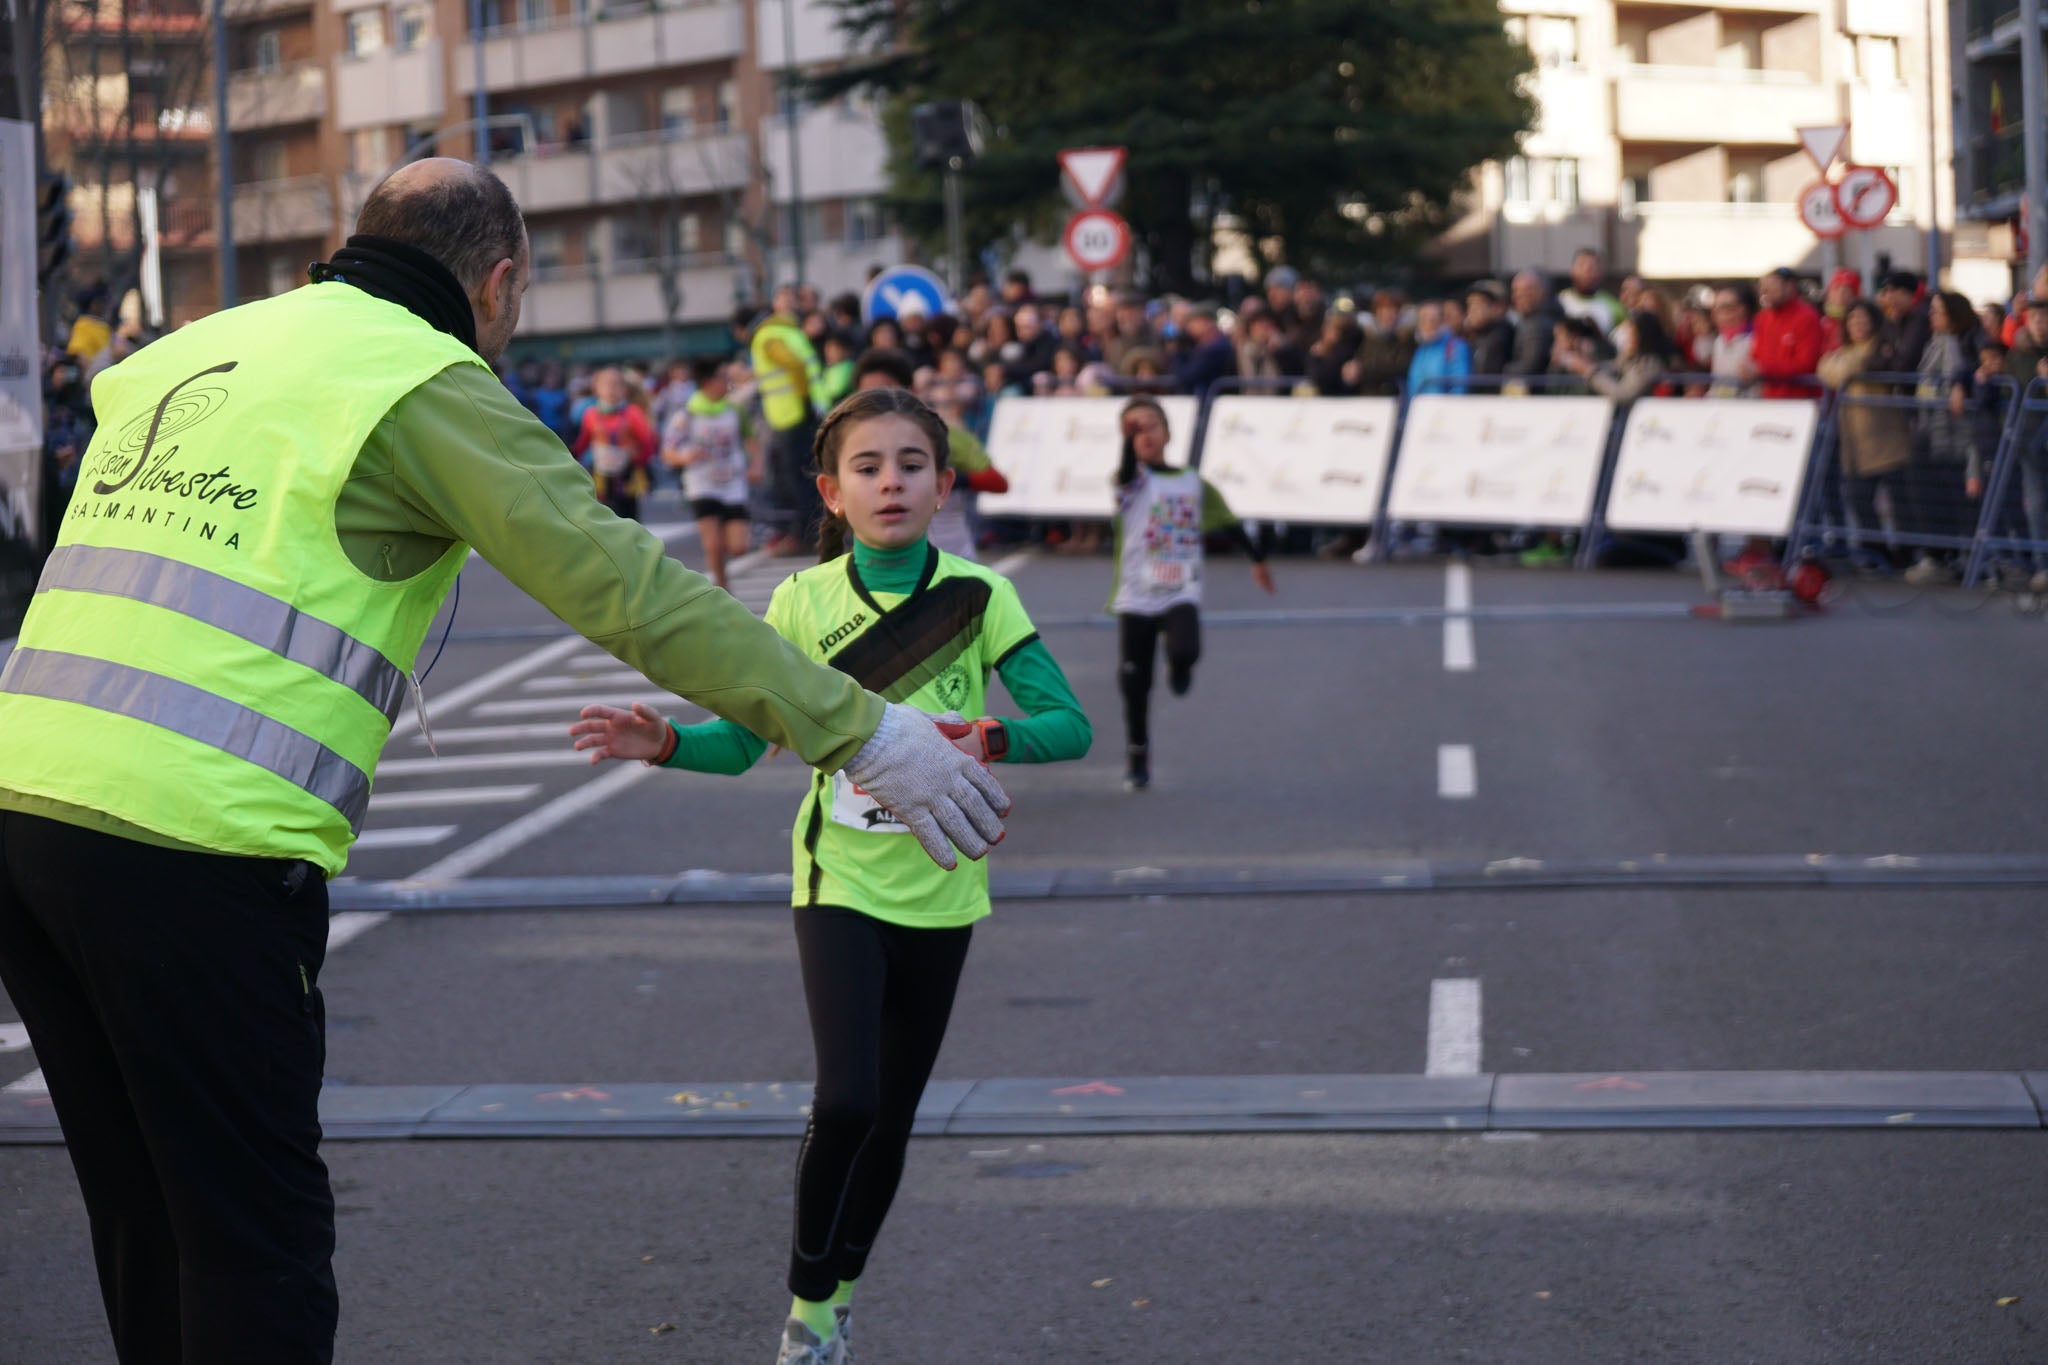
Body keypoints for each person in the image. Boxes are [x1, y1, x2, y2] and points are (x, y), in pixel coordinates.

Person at [0, 158, 1009, 1365]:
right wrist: (864, 728)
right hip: (191, 844)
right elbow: (626, 588)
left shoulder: (196, 351)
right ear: (498, 281)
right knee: (251, 1241)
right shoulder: (420, 380)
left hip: (26, 810)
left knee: (141, 1205)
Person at [568, 386, 1090, 1365]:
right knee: (846, 1099)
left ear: (942, 485)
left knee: (891, 1119)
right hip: (837, 882)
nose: (888, 481)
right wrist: (664, 740)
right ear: (829, 490)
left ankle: (839, 1293)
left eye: (908, 465)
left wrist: (986, 734)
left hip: (943, 887)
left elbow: (1068, 725)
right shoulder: (803, 603)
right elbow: (745, 744)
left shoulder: (980, 597)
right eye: (866, 466)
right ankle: (808, 1307)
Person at [1110, 396, 1274, 789]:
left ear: (1167, 433)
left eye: (1151, 425)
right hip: (1137, 592)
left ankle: (1179, 665)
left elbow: (1228, 522)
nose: (1144, 434)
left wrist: (1256, 559)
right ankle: (1138, 751)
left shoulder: (1191, 482)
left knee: (1186, 649)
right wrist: (1125, 445)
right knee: (1136, 680)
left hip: (1181, 587)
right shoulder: (1130, 482)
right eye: (1135, 429)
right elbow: (1127, 470)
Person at [852, 346, 1008, 558]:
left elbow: (997, 482)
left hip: (950, 557)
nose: (876, 403)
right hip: (884, 564)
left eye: (885, 391)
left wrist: (948, 480)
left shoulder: (942, 433)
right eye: (867, 395)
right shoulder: (851, 443)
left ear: (909, 391)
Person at [1818, 298, 1913, 571]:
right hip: (1855, 440)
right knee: (1859, 499)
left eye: (1863, 319)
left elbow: (1842, 370)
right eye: (1852, 320)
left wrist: (1840, 368)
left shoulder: (1878, 350)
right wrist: (1838, 367)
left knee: (1898, 501)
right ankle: (1875, 549)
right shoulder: (1845, 352)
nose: (1858, 325)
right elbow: (1825, 369)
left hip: (1886, 434)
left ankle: (1904, 552)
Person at [741, 299, 826, 555]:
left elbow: (794, 365)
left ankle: (804, 536)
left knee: (795, 480)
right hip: (805, 411)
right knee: (805, 477)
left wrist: (801, 399)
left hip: (789, 415)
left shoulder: (766, 337)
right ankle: (808, 533)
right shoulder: (789, 331)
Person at [663, 355, 755, 590]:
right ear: (707, 382)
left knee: (738, 547)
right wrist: (684, 457)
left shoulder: (734, 410)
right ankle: (724, 590)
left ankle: (724, 563)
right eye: (722, 378)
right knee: (713, 546)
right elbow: (668, 452)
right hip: (701, 484)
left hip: (733, 483)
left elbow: (752, 439)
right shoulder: (687, 414)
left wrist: (756, 465)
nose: (727, 383)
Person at [571, 365, 657, 520]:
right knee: (604, 517)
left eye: (616, 385)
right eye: (606, 384)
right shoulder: (591, 414)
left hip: (626, 475)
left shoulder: (632, 413)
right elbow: (582, 443)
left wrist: (636, 459)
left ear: (625, 390)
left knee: (629, 518)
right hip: (601, 475)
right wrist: (571, 459)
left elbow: (648, 443)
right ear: (596, 389)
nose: (611, 389)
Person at [1405, 298, 1471, 397]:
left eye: (1433, 319)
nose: (1428, 324)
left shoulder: (1455, 346)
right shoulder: (1421, 348)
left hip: (1442, 409)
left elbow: (1459, 385)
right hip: (1419, 408)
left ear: (1442, 320)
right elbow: (1413, 383)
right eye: (1423, 319)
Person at [1557, 248, 1625, 335]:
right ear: (1572, 270)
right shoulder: (1560, 302)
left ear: (1600, 272)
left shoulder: (1614, 306)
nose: (1586, 271)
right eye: (1581, 265)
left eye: (1592, 267)